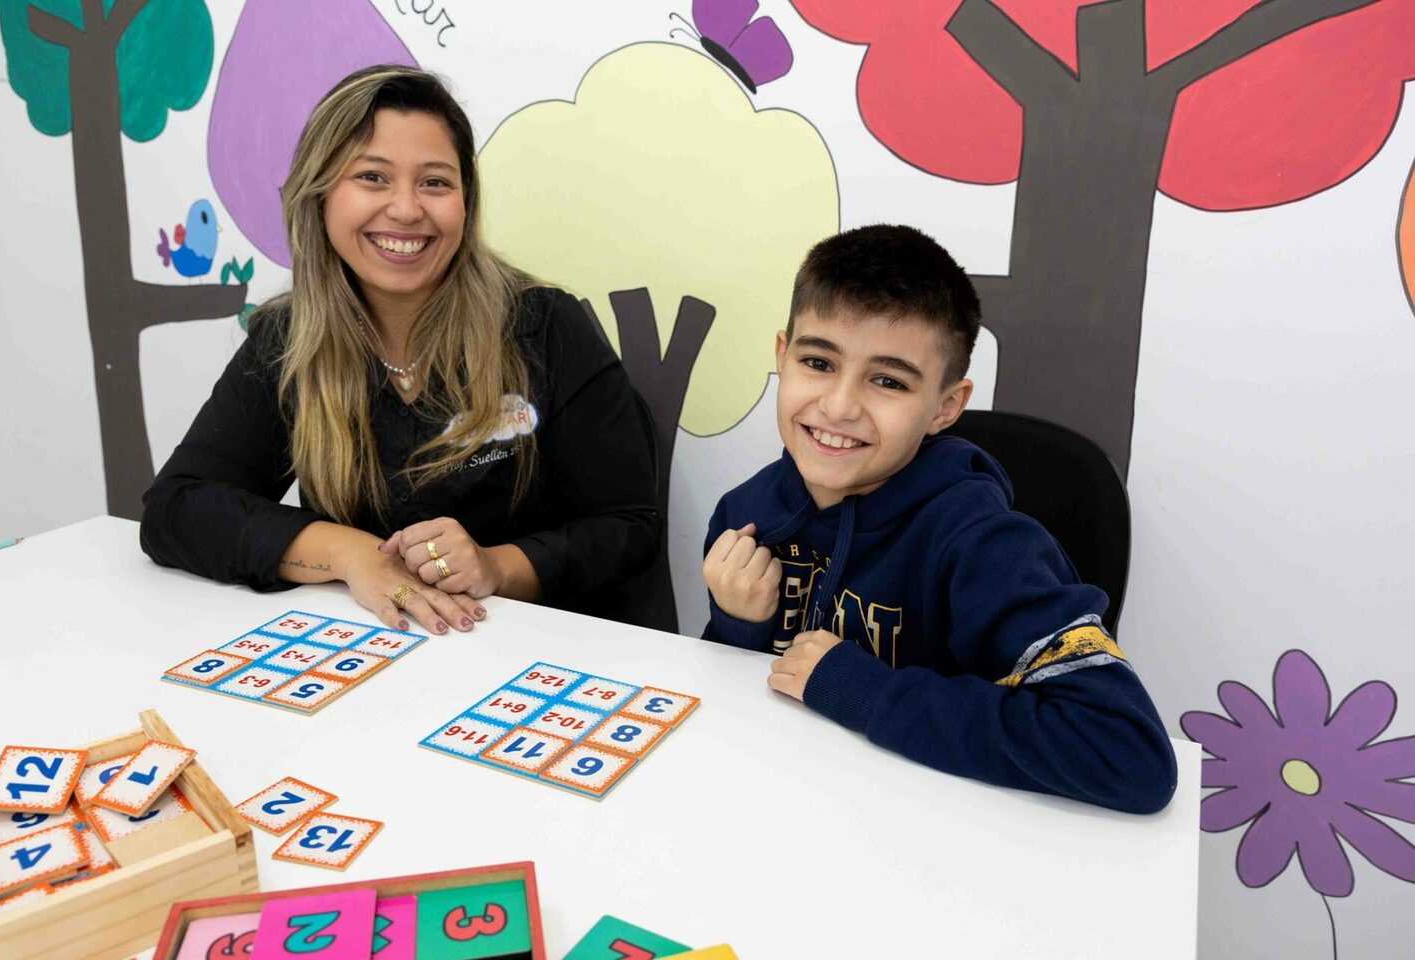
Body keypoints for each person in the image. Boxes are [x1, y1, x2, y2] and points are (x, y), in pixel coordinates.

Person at [141, 66, 661, 633]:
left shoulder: (546, 325)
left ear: (466, 201)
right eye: (372, 177)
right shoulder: (286, 340)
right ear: (320, 196)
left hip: (532, 661)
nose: (407, 210)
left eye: (435, 182)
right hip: (373, 650)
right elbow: (177, 510)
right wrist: (353, 555)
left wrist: (496, 567)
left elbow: (629, 526)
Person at [700, 224, 1177, 813]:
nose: (840, 405)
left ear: (946, 406)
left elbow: (1129, 756)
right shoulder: (745, 515)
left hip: (936, 845)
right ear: (782, 356)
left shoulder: (985, 545)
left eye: (887, 380)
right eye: (819, 362)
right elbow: (738, 708)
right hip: (783, 809)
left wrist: (867, 693)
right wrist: (737, 626)